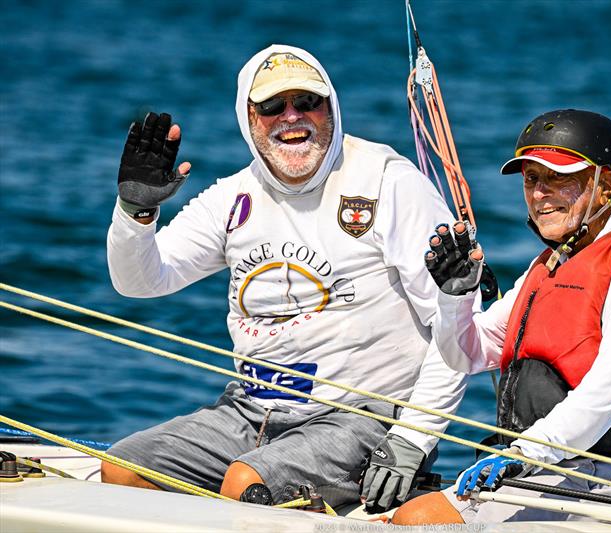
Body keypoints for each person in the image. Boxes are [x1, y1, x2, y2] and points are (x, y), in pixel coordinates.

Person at [102, 44, 469, 511]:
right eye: (273, 106)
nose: (292, 117)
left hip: (365, 419)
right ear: (248, 118)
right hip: (249, 409)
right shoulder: (232, 197)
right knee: (122, 470)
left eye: (308, 102)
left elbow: (455, 324)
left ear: (331, 106)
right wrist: (136, 211)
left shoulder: (388, 181)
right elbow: (139, 281)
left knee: (245, 484)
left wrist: (413, 440)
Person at [393, 109, 611, 524]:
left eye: (559, 178)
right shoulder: (551, 264)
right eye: (531, 179)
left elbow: (610, 388)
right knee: (416, 519)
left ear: (605, 185)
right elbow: (467, 354)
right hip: (558, 466)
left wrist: (524, 454)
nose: (539, 194)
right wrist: (454, 297)